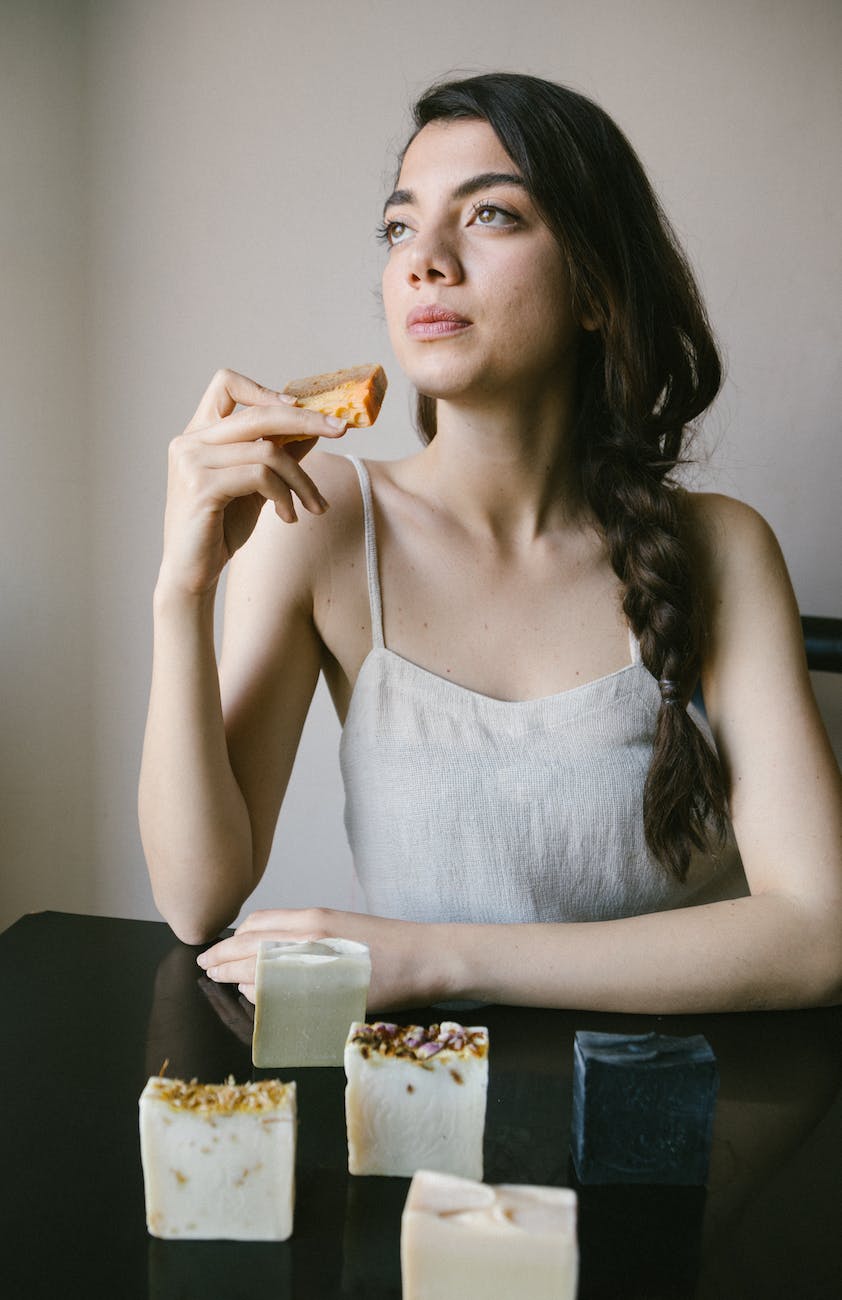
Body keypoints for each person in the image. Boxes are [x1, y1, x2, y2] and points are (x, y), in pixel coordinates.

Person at [138, 72, 842, 1014]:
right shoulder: (321, 519)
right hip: (425, 1108)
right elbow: (196, 901)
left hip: (677, 1112)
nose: (423, 259)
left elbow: (818, 930)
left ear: (595, 288)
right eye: (398, 228)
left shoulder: (720, 547)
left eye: (491, 217)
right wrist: (180, 592)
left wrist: (438, 958)